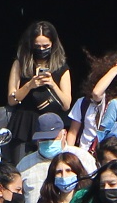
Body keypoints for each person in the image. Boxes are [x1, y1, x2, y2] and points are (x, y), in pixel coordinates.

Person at [5, 21, 72, 162]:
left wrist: (53, 84)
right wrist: (29, 85)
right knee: (20, 165)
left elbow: (66, 104)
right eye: (37, 46)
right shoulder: (20, 64)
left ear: (53, 44)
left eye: (46, 46)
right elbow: (12, 99)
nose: (41, 49)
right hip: (24, 124)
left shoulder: (61, 67)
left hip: (50, 123)